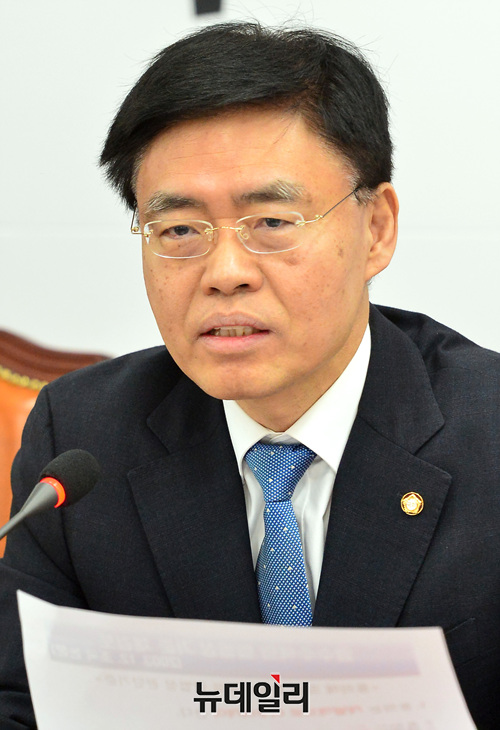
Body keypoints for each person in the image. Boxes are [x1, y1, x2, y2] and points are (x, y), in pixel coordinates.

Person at [0, 21, 499, 729]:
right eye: (180, 230)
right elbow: (21, 702)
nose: (225, 273)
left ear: (376, 229)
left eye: (271, 221)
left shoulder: (489, 432)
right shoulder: (81, 442)